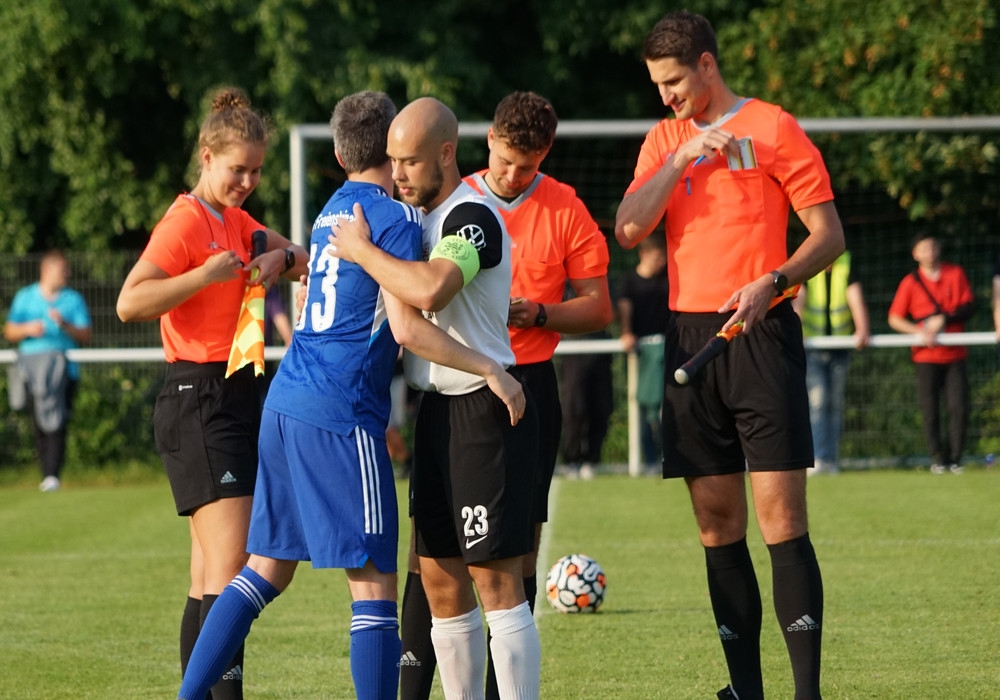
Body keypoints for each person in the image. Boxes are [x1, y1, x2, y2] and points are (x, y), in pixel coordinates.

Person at [177, 91, 526, 700]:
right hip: (341, 413)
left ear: (339, 155)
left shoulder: (331, 210)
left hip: (285, 402)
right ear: (390, 149)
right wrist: (489, 367)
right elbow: (408, 326)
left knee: (263, 570)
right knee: (373, 588)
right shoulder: (395, 220)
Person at [614, 11, 845, 700]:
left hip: (762, 335)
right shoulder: (663, 139)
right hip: (690, 341)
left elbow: (828, 235)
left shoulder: (773, 126)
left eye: (675, 82)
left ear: (707, 66)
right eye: (657, 85)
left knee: (783, 522)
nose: (666, 96)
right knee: (717, 527)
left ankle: (807, 693)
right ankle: (746, 691)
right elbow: (628, 229)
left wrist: (775, 280)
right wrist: (681, 157)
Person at [396, 90, 612, 700]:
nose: (514, 175)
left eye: (528, 165)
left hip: (515, 386)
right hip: (443, 393)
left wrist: (540, 313)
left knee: (506, 563)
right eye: (506, 160)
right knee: (434, 566)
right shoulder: (430, 204)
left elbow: (599, 307)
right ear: (487, 140)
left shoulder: (521, 212)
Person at [328, 96, 542, 700]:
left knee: (496, 584)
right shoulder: (416, 220)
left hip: (482, 408)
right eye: (392, 160)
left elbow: (433, 290)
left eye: (410, 162)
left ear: (447, 153)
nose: (396, 174)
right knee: (442, 584)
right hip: (436, 414)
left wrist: (362, 252)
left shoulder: (471, 217)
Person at [116, 86, 307, 700]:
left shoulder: (235, 220)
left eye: (256, 171)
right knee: (232, 578)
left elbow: (301, 257)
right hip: (198, 397)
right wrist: (202, 274)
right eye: (237, 169)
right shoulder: (186, 220)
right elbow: (129, 302)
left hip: (235, 394)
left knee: (208, 579)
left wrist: (280, 261)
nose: (247, 181)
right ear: (206, 157)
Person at [4, 249, 91, 492]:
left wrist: (64, 324)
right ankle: (47, 473)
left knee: (58, 419)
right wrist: (28, 329)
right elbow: (10, 331)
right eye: (62, 269)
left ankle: (53, 475)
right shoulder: (25, 297)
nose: (67, 274)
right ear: (47, 270)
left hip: (62, 370)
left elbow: (85, 334)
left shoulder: (73, 299)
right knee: (38, 420)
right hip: (32, 369)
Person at [888, 232, 974, 475]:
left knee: (958, 407)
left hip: (955, 354)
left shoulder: (955, 273)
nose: (930, 252)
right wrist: (919, 331)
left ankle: (955, 459)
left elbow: (969, 307)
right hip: (925, 357)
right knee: (930, 410)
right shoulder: (910, 282)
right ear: (915, 254)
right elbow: (894, 318)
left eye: (933, 247)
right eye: (924, 248)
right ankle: (937, 458)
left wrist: (943, 319)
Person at [793, 250, 871, 475]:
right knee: (818, 402)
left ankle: (831, 459)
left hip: (840, 346)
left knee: (835, 404)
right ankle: (817, 457)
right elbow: (799, 302)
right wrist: (798, 329)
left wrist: (862, 329)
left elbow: (856, 300)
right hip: (814, 347)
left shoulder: (846, 264)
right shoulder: (809, 264)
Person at [617, 235, 670, 472]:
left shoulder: (668, 278)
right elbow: (624, 307)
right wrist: (626, 332)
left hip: (668, 349)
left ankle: (667, 455)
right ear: (643, 255)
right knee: (646, 406)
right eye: (658, 258)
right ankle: (650, 458)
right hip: (642, 353)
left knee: (667, 405)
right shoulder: (629, 281)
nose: (662, 262)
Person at [558, 328, 614, 480]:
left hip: (601, 347)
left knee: (601, 408)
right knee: (574, 408)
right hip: (573, 347)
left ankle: (592, 459)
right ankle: (572, 459)